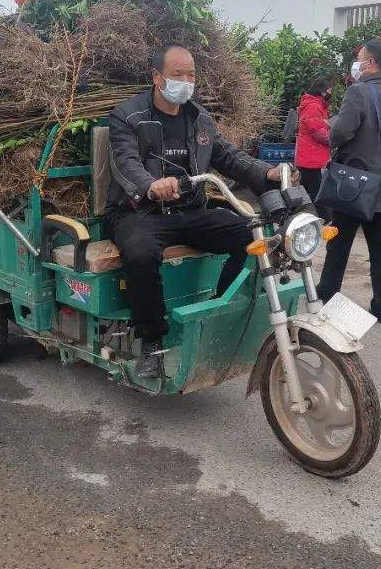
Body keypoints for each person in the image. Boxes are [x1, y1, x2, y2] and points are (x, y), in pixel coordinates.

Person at [108, 43, 284, 378]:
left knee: (255, 237)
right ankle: (151, 343)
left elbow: (230, 158)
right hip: (138, 213)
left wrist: (267, 173)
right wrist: (150, 184)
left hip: (190, 211)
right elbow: (125, 161)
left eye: (191, 75)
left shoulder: (200, 120)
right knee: (140, 253)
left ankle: (220, 312)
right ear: (157, 77)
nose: (186, 82)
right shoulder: (127, 116)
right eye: (178, 75)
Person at [317, 39, 381, 324]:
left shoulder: (358, 93)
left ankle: (326, 300)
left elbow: (340, 133)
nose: (355, 64)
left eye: (359, 58)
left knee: (339, 244)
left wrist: (332, 127)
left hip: (355, 187)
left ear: (370, 63)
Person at [295, 76, 332, 217]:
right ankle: (327, 217)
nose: (330, 93)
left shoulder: (316, 105)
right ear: (321, 91)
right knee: (316, 189)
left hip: (310, 155)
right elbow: (318, 132)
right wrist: (334, 139)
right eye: (329, 90)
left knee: (304, 188)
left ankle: (290, 213)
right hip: (311, 156)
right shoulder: (313, 106)